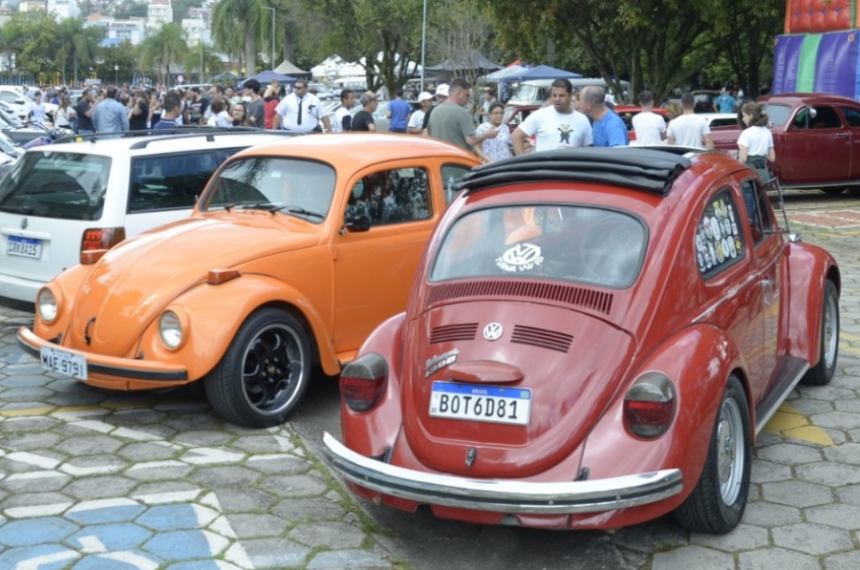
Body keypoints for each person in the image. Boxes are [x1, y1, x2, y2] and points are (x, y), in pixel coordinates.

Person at [513, 78, 592, 154]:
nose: (557, 99)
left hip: (571, 167)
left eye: (561, 96)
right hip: (545, 167)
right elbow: (516, 136)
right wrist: (525, 166)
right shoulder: (540, 115)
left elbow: (588, 148)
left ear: (570, 96)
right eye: (554, 95)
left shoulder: (582, 119)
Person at [427, 78, 497, 153]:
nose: (468, 99)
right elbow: (471, 140)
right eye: (467, 95)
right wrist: (487, 134)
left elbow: (428, 135)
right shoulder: (462, 113)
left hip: (438, 160)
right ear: (459, 94)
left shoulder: (434, 111)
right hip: (458, 161)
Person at [737, 102, 775, 182]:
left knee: (748, 192)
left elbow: (743, 159)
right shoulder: (768, 132)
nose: (743, 119)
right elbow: (772, 158)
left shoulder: (746, 133)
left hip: (750, 175)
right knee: (760, 193)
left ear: (750, 116)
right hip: (763, 176)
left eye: (744, 116)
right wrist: (760, 153)